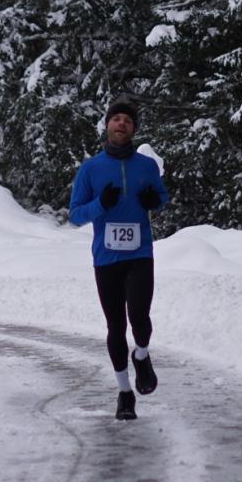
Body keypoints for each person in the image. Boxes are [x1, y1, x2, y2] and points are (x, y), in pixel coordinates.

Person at [68, 98, 168, 420]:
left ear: (134, 129)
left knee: (140, 316)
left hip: (140, 253)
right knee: (115, 326)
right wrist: (100, 204)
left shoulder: (146, 166)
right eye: (116, 119)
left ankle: (141, 354)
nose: (121, 123)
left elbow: (161, 197)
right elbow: (74, 215)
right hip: (106, 259)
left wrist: (154, 201)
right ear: (107, 125)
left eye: (127, 120)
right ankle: (125, 393)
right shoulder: (91, 168)